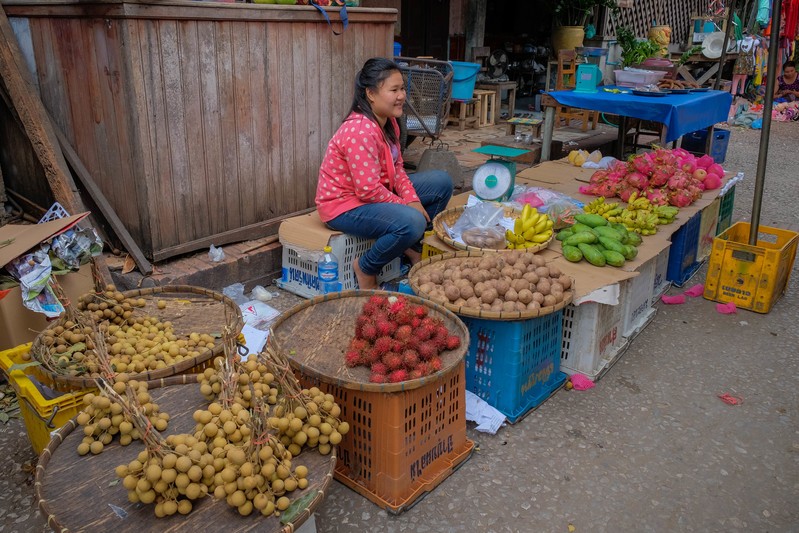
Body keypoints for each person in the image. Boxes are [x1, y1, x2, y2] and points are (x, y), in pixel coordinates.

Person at [315, 57, 452, 290]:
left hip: (372, 194)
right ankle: (366, 267)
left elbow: (397, 167)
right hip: (344, 206)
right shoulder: (360, 130)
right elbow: (367, 190)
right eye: (394, 90)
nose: (402, 96)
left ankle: (412, 249)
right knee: (412, 220)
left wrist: (412, 199)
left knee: (442, 182)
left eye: (402, 89)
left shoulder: (388, 122)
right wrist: (406, 206)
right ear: (370, 94)